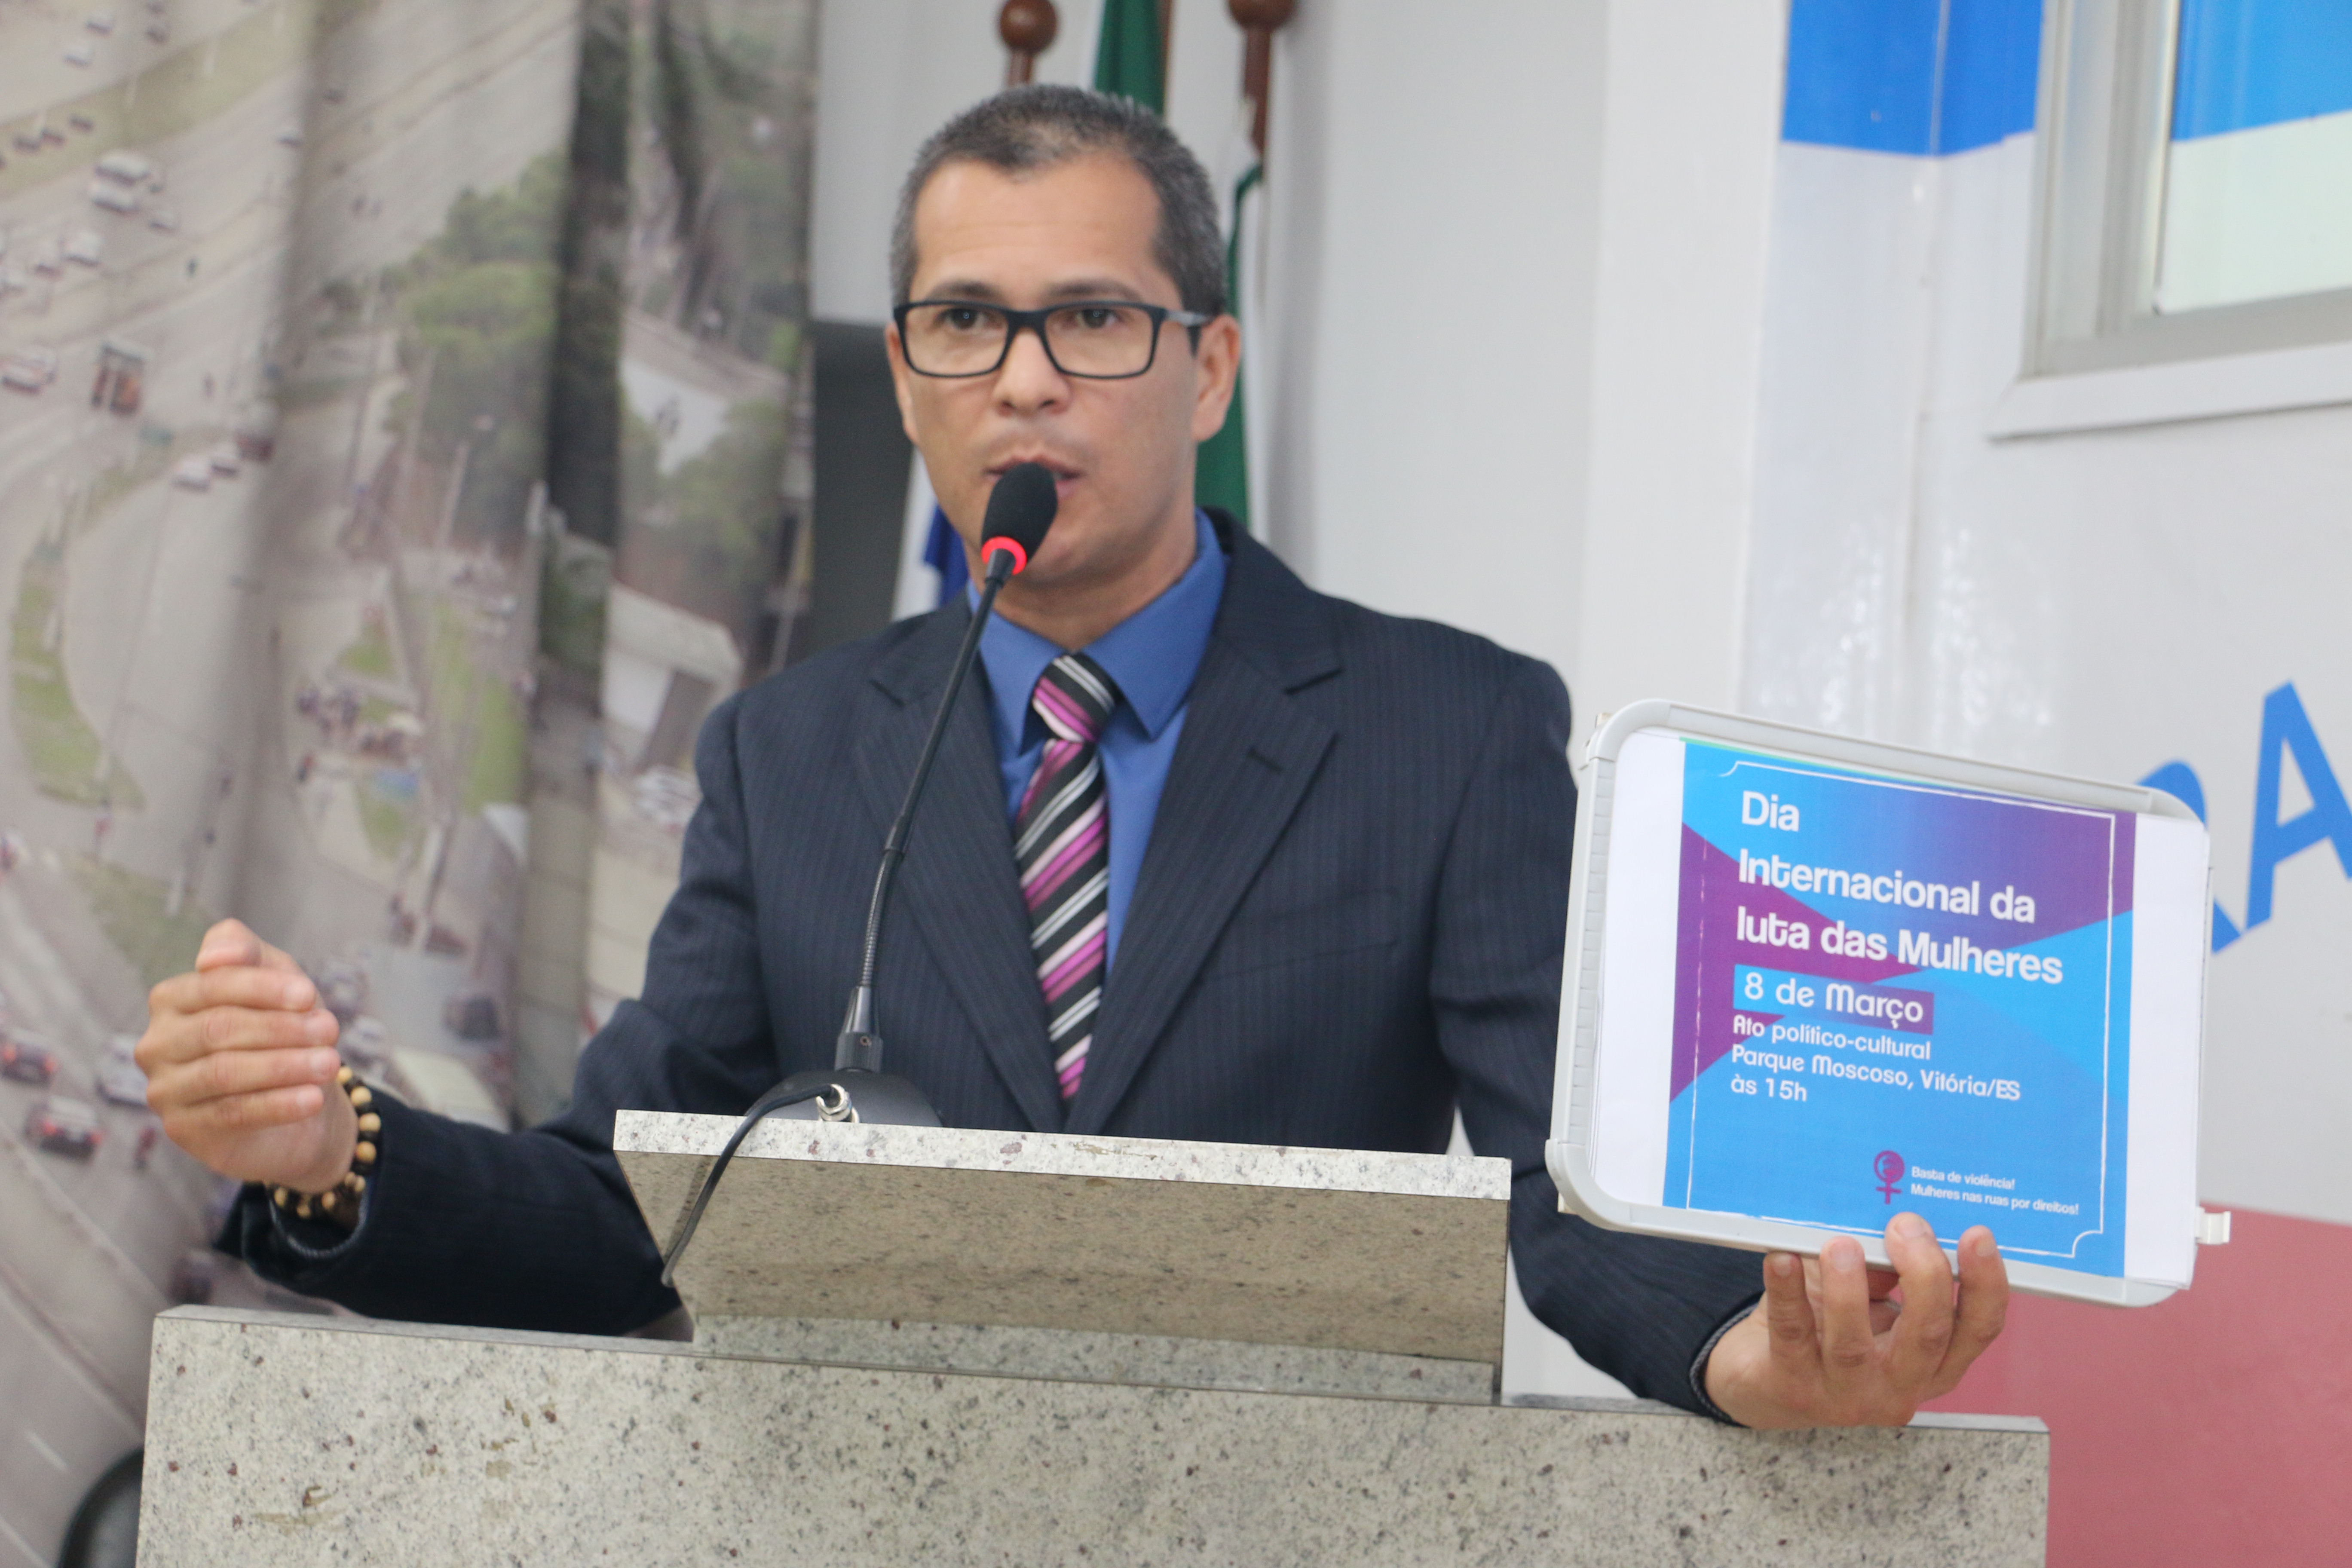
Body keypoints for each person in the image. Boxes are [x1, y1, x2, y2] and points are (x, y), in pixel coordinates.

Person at [136, 86, 2005, 1429]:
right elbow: (637, 1211)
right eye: (964, 322)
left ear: (1209, 368)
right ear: (907, 380)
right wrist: (333, 1149)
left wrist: (1751, 1356)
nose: (1022, 379)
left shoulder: (1450, 728)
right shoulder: (793, 754)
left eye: (1093, 319)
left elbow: (1562, 1198)